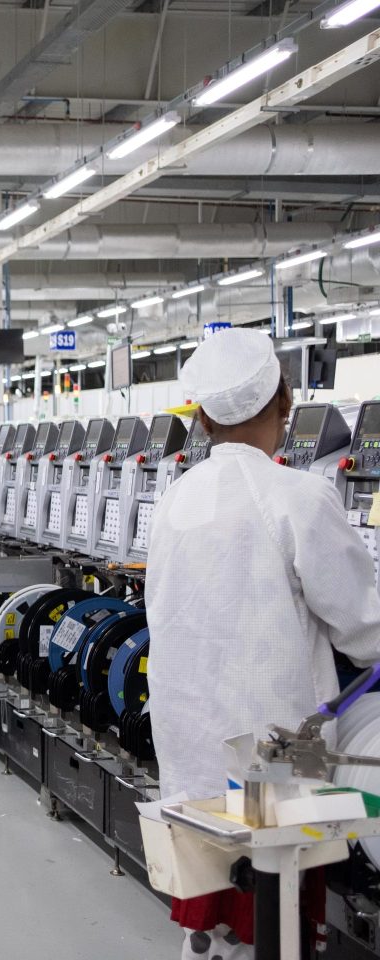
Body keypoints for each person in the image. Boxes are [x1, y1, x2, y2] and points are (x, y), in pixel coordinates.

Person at [147, 328, 380, 960]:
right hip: (273, 758)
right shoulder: (299, 496)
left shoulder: (173, 500)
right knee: (276, 899)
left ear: (200, 417)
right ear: (285, 402)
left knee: (219, 906)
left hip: (188, 747)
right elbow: (365, 629)